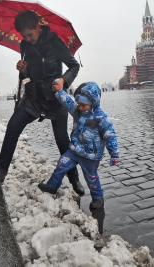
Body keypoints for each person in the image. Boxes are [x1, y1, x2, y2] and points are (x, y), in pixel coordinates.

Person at [0, 11, 85, 195]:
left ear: (38, 27)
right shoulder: (25, 45)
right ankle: (0, 171)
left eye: (30, 34)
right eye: (24, 36)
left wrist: (64, 80)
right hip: (34, 98)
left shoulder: (55, 42)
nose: (27, 39)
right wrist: (22, 69)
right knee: (13, 126)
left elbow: (74, 66)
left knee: (62, 140)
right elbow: (27, 76)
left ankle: (75, 179)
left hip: (56, 97)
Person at [38, 81, 120, 213]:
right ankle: (52, 186)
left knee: (91, 178)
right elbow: (68, 102)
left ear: (93, 102)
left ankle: (98, 198)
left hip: (91, 156)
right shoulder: (78, 112)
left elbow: (110, 136)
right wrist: (59, 91)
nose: (80, 107)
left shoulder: (101, 118)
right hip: (75, 150)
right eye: (79, 104)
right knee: (62, 164)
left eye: (84, 105)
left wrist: (114, 154)